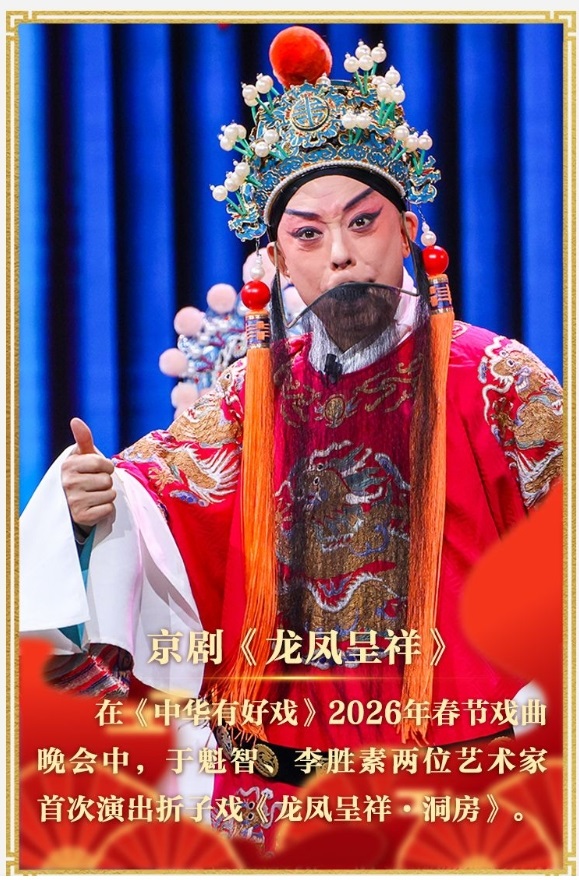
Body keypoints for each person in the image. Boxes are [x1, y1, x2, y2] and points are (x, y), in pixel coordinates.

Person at [21, 26, 563, 848]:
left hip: (465, 780)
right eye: (308, 234)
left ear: (408, 231)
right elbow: (158, 496)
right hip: (278, 788)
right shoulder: (251, 397)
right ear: (274, 260)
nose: (340, 256)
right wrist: (90, 500)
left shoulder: (497, 380)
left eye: (362, 223)